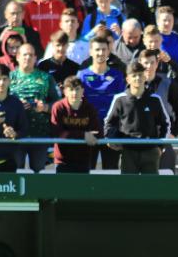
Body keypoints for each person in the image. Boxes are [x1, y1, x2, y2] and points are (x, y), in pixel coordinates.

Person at [104, 62, 170, 175]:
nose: (137, 78)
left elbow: (166, 124)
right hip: (128, 152)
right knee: (128, 189)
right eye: (134, 75)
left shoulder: (155, 99)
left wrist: (160, 147)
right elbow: (108, 123)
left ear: (145, 77)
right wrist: (111, 139)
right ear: (128, 79)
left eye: (140, 75)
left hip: (150, 151)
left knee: (150, 189)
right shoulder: (119, 99)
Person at [78, 37, 126, 170]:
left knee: (111, 172)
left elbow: (122, 106)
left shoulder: (117, 76)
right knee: (87, 171)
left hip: (110, 132)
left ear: (108, 51)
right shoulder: (81, 75)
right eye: (97, 49)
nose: (100, 53)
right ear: (91, 52)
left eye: (104, 49)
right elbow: (77, 105)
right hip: (89, 132)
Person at [11, 43, 60, 172]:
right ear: (17, 57)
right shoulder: (9, 78)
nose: (27, 57)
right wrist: (16, 106)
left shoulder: (46, 78)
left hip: (40, 135)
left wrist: (44, 107)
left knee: (39, 174)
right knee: (15, 172)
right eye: (24, 54)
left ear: (35, 58)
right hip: (15, 135)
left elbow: (58, 105)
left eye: (31, 55)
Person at [50, 76, 101, 174]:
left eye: (77, 89)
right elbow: (57, 133)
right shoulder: (58, 107)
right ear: (65, 91)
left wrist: (91, 136)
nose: (74, 93)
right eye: (71, 90)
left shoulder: (89, 109)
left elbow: (98, 133)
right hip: (62, 161)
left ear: (82, 91)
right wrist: (84, 135)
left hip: (84, 160)